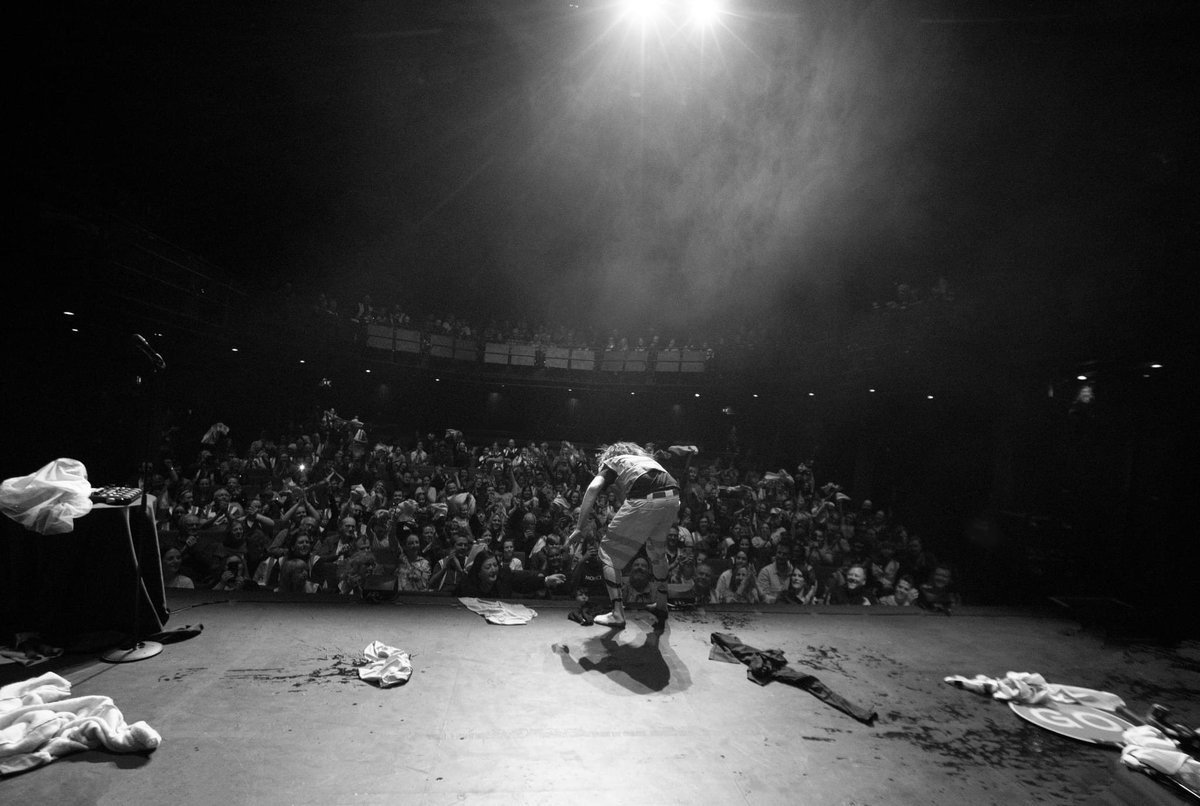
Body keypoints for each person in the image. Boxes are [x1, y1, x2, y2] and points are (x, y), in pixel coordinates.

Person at [568, 442, 680, 628]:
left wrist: (579, 527)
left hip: (647, 497)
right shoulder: (644, 461)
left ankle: (617, 613)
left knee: (607, 553)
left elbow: (593, 488)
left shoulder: (614, 461)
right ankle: (661, 605)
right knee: (656, 553)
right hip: (672, 496)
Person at [454, 550, 565, 598]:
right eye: (488, 567)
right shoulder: (466, 585)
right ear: (478, 571)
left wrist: (545, 580)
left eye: (495, 565)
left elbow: (524, 579)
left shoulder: (504, 575)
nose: (493, 569)